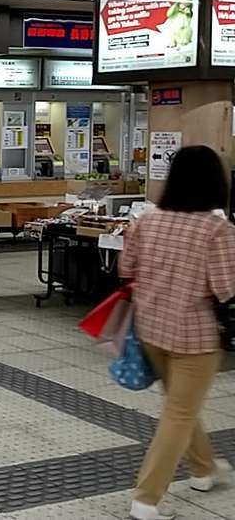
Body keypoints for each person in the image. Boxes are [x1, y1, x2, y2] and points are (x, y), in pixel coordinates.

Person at [120, 145, 235, 520]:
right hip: (194, 337)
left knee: (180, 406)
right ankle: (146, 499)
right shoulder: (217, 230)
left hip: (151, 329)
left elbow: (126, 267)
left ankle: (205, 469)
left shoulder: (147, 221)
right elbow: (225, 288)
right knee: (180, 413)